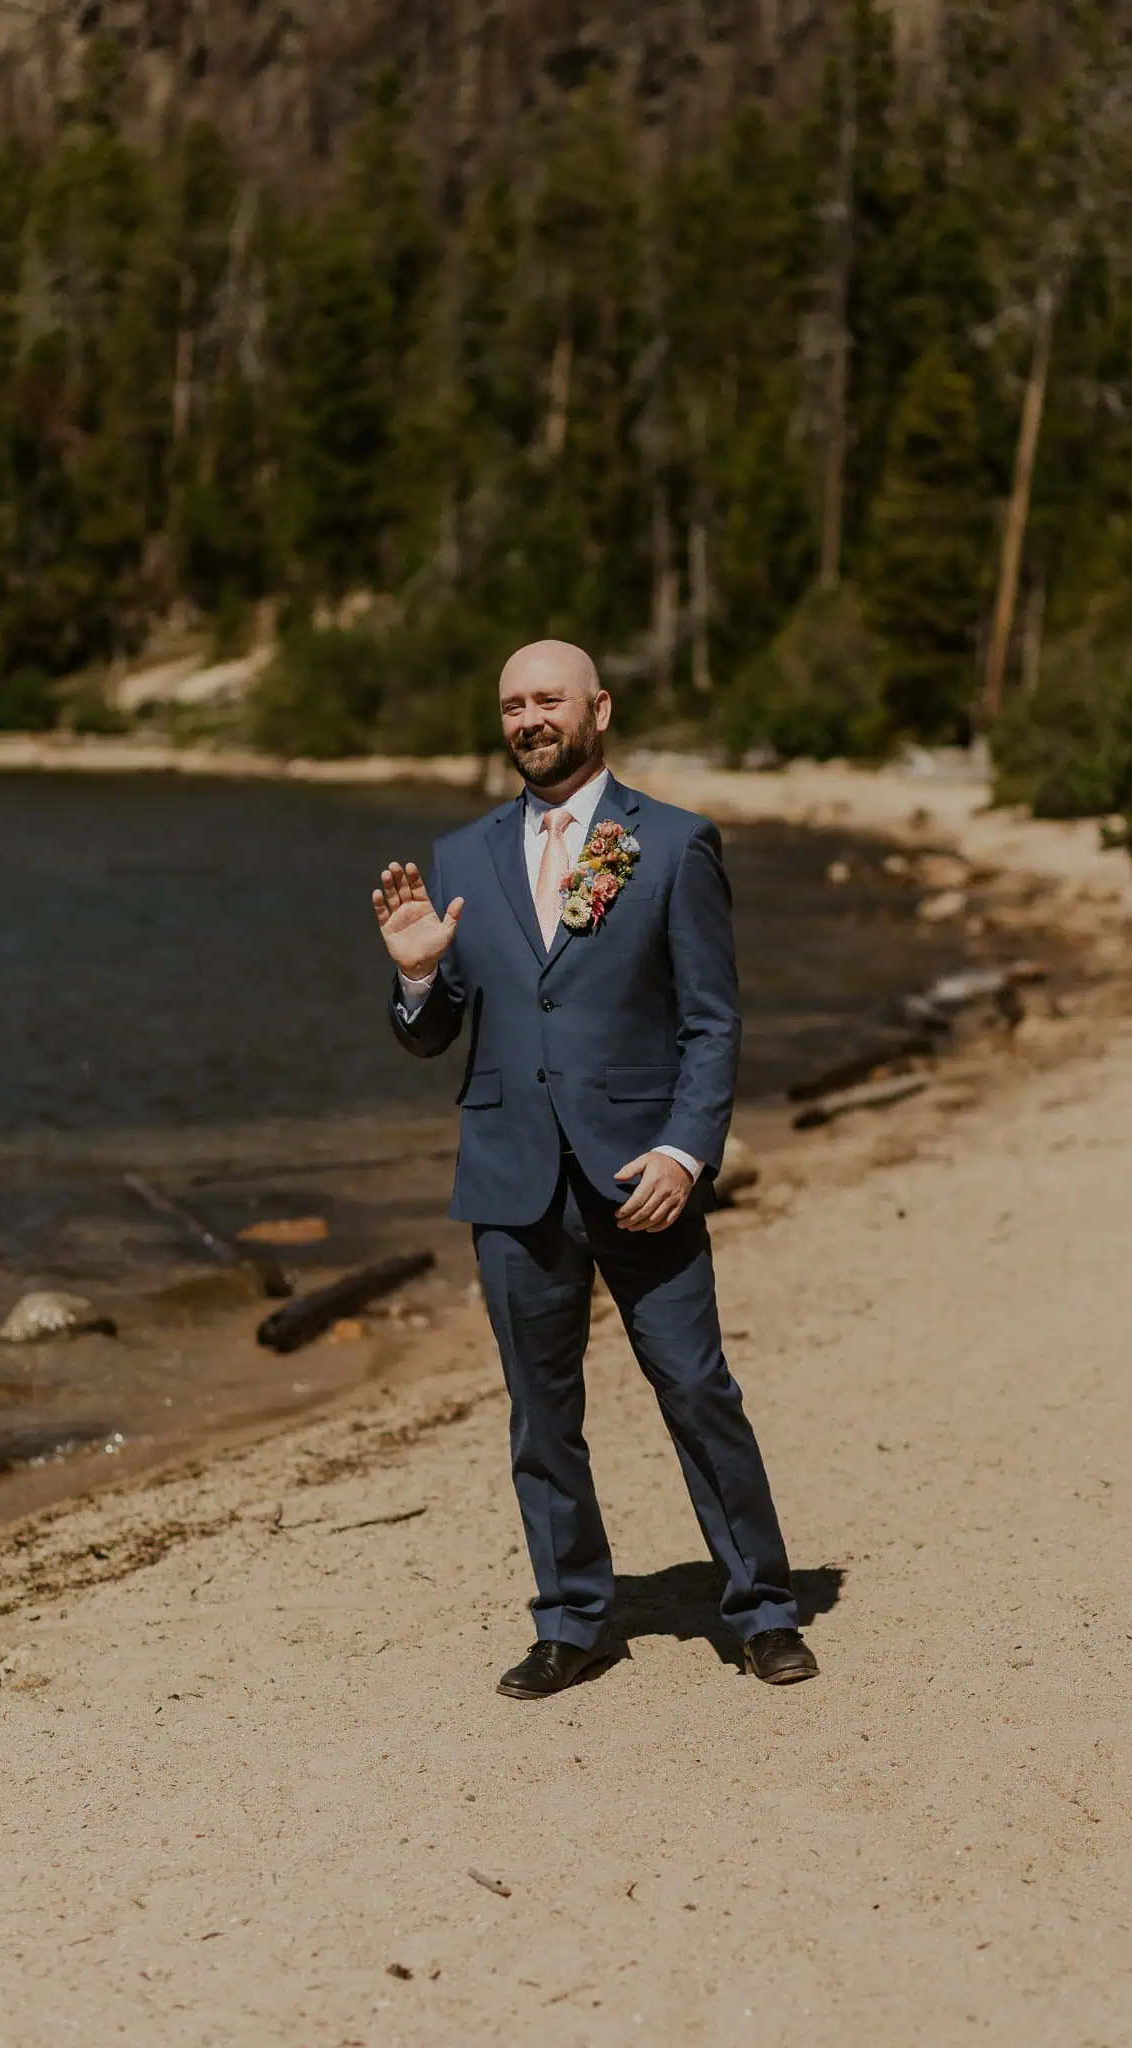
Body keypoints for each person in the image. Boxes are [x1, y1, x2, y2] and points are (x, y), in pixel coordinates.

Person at [372, 639, 817, 1698]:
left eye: (548, 699)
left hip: (642, 1176)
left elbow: (710, 1021)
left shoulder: (672, 843)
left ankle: (762, 1609)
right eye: (512, 704)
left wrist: (685, 1150)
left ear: (599, 709)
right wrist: (418, 976)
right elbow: (434, 1034)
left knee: (697, 1389)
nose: (529, 719)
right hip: (510, 1176)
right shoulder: (461, 853)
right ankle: (571, 1619)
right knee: (540, 1412)